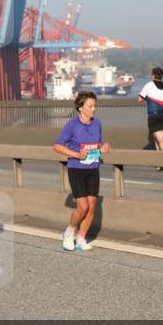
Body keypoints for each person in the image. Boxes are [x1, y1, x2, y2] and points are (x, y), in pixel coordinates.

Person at [53, 91, 110, 252]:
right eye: (90, 106)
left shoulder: (97, 123)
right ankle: (69, 232)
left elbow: (98, 144)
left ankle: (81, 239)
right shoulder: (72, 125)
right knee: (83, 207)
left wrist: (104, 147)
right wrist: (77, 154)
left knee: (92, 207)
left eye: (95, 106)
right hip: (76, 169)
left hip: (93, 169)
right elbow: (57, 146)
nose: (94, 109)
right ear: (80, 107)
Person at [137, 67, 163, 172]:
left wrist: (149, 99)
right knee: (156, 138)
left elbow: (139, 99)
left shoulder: (149, 85)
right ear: (161, 75)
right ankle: (159, 163)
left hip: (154, 115)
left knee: (160, 139)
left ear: (153, 75)